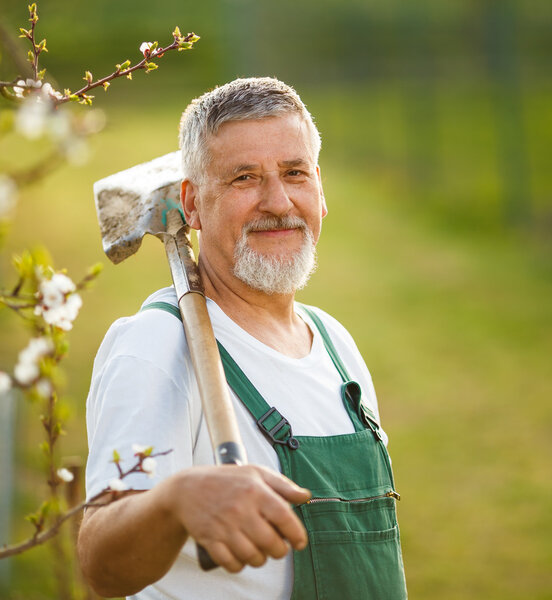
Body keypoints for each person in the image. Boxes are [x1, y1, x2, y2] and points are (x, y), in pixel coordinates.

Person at [78, 77, 408, 599]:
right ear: (191, 203)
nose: (277, 202)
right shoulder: (156, 347)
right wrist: (175, 501)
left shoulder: (335, 343)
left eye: (294, 173)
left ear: (320, 192)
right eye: (244, 178)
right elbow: (100, 564)